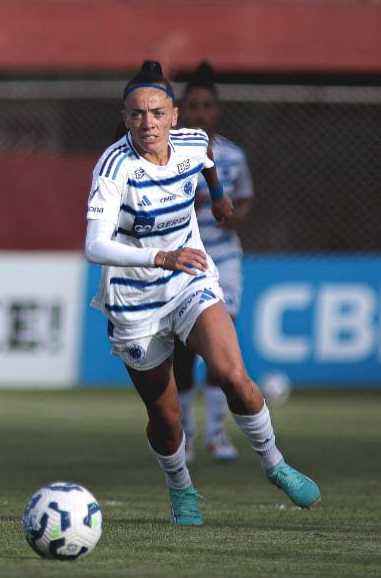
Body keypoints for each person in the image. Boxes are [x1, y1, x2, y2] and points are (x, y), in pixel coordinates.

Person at [84, 60, 319, 525]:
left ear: (174, 115)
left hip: (190, 282)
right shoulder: (114, 166)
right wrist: (160, 257)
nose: (146, 123)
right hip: (134, 303)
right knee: (166, 417)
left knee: (233, 374)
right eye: (136, 115)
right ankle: (181, 488)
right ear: (126, 117)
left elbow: (207, 164)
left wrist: (218, 198)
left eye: (156, 113)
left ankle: (274, 463)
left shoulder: (192, 143)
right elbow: (94, 245)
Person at [172, 61, 254, 464]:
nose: (200, 112)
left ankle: (218, 434)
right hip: (184, 255)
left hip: (223, 255)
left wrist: (230, 212)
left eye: (207, 105)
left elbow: (245, 200)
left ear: (216, 110)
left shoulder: (234, 155)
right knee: (184, 350)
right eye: (193, 106)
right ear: (182, 111)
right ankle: (186, 435)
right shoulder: (168, 154)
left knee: (222, 347)